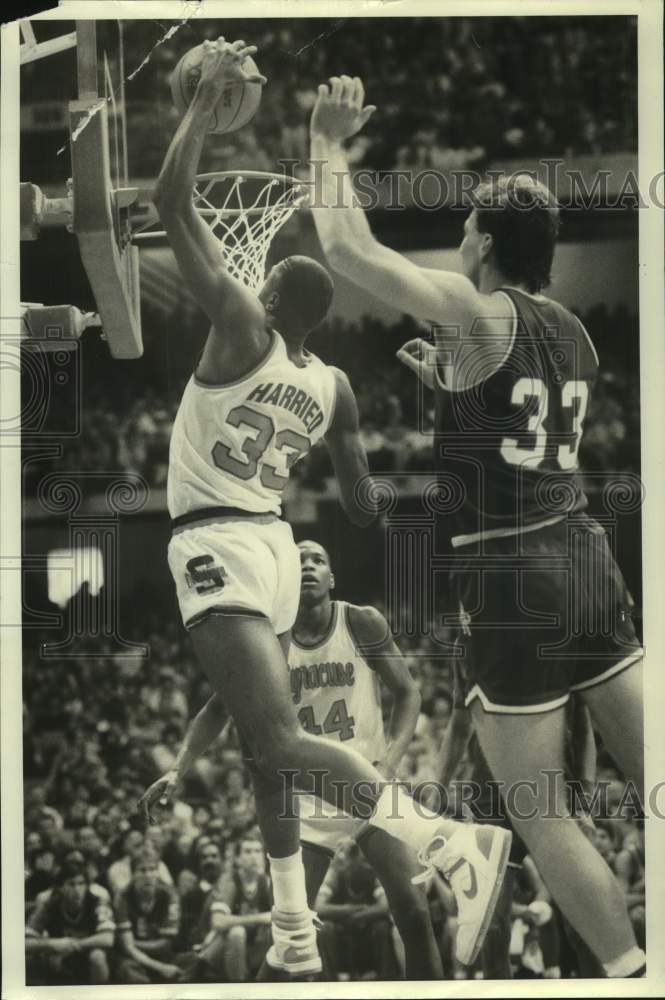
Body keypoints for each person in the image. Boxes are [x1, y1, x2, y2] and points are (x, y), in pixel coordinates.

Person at [153, 37, 510, 976]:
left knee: (273, 741)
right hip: (274, 541)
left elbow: (167, 204)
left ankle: (447, 843)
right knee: (271, 756)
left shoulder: (238, 325)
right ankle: (293, 933)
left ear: (266, 293)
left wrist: (198, 106)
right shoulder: (336, 388)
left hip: (219, 541)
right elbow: (357, 507)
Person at [307, 74, 645, 978]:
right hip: (584, 556)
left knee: (539, 812)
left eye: (463, 232)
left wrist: (326, 139)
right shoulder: (576, 331)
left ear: (487, 243)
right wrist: (451, 392)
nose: (456, 243)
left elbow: (345, 245)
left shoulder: (475, 309)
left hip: (511, 573)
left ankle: (628, 974)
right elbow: (521, 427)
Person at [142, 539, 444, 979]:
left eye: (318, 559)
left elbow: (408, 692)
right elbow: (216, 709)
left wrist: (391, 762)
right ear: (282, 578)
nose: (308, 566)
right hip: (302, 800)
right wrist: (178, 766)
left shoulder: (360, 621)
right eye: (299, 560)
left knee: (415, 913)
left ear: (332, 577)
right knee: (288, 940)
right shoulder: (266, 642)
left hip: (365, 785)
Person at [26, 860, 115, 985]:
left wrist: (72, 946)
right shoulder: (49, 905)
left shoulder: (98, 903)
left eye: (81, 884)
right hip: (59, 955)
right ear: (60, 888)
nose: (77, 889)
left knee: (97, 956)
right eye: (71, 884)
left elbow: (107, 938)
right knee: (32, 959)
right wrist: (52, 944)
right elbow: (26, 943)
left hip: (88, 954)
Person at [114, 847, 181, 984]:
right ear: (133, 874)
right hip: (133, 958)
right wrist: (161, 968)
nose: (148, 875)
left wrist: (131, 943)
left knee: (193, 960)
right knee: (128, 969)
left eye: (152, 869)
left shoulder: (170, 894)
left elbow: (166, 944)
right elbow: (128, 950)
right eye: (142, 870)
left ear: (158, 872)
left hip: (161, 954)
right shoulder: (122, 897)